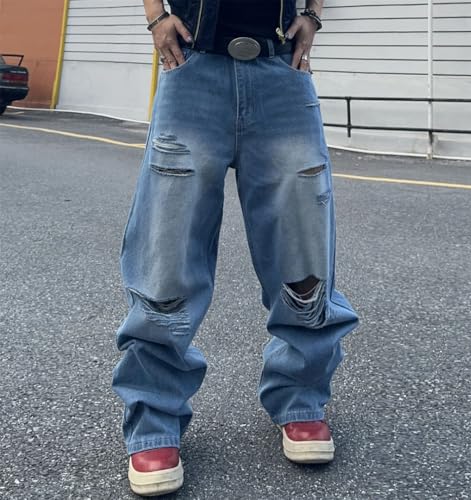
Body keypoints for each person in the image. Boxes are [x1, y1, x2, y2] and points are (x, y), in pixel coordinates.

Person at [112, 0, 359, 495]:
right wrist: (156, 17)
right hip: (192, 68)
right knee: (167, 252)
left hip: (280, 71)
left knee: (302, 249)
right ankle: (155, 417)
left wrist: (313, 14)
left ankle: (301, 398)